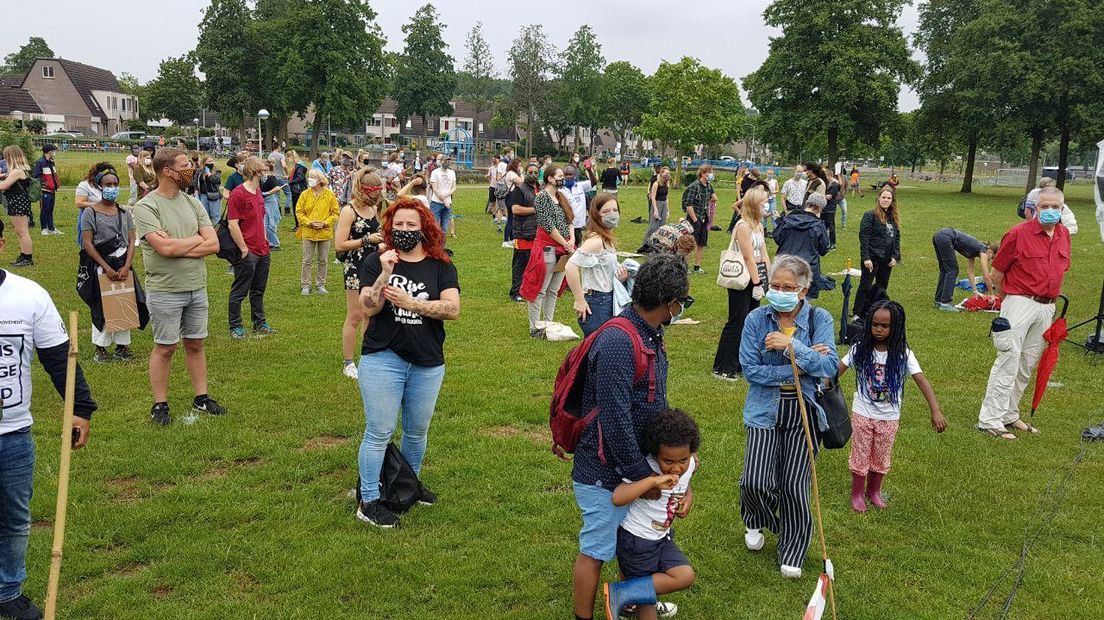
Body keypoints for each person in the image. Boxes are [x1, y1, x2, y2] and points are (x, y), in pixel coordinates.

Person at [570, 254, 689, 620]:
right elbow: (615, 420)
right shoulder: (620, 342)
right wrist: (643, 476)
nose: (681, 308)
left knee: (631, 545)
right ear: (670, 303)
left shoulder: (652, 333)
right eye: (683, 301)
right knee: (597, 548)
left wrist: (675, 479)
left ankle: (629, 597)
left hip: (637, 467)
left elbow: (659, 405)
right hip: (604, 470)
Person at [0, 219, 99, 620]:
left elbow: (60, 360)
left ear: (1, 240)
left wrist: (80, 408)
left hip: (13, 434)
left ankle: (7, 590)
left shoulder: (28, 296)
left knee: (14, 518)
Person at [355, 198, 460, 528]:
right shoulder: (377, 261)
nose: (404, 230)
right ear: (390, 227)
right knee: (379, 432)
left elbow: (452, 309)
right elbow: (368, 308)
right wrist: (385, 273)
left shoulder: (441, 265)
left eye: (411, 225)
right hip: (384, 357)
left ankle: (406, 486)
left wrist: (412, 303)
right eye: (398, 225)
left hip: (427, 360)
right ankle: (369, 500)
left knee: (416, 432)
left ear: (424, 228)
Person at [738, 255, 837, 579]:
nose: (779, 291)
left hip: (803, 411)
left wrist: (790, 344)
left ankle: (792, 549)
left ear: (804, 290)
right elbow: (750, 369)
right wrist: (800, 361)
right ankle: (755, 517)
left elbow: (829, 368)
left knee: (794, 486)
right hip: (763, 409)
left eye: (788, 287)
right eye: (775, 285)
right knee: (756, 480)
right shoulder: (756, 320)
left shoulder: (820, 319)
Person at [131, 147, 224, 426]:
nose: (190, 170)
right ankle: (160, 404)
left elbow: (214, 244)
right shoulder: (146, 207)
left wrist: (177, 244)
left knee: (195, 343)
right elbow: (164, 248)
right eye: (184, 165)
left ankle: (201, 397)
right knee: (166, 347)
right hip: (165, 290)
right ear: (167, 171)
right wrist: (195, 239)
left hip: (196, 286)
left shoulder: (193, 203)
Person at [977, 187, 1071, 440]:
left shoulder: (1063, 234)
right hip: (1019, 301)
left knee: (1026, 363)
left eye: (1055, 207)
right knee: (1008, 358)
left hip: (1046, 306)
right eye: (1044, 206)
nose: (1050, 211)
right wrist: (1009, 301)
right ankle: (990, 419)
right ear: (1035, 209)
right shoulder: (1018, 234)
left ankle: (1009, 414)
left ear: (1062, 209)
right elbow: (997, 273)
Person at [839, 300, 947, 512]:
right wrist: (823, 386)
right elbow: (838, 369)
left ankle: (874, 492)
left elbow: (921, 380)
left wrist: (935, 410)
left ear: (895, 327)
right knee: (860, 453)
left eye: (885, 326)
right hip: (863, 412)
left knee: (881, 454)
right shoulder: (860, 349)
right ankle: (857, 494)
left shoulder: (903, 354)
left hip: (889, 416)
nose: (879, 329)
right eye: (875, 324)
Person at [603, 409, 700, 620]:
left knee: (685, 575)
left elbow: (687, 481)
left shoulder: (690, 464)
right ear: (656, 454)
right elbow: (618, 497)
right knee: (646, 603)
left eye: (682, 460)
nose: (676, 468)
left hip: (661, 538)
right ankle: (627, 595)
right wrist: (653, 481)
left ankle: (627, 596)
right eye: (668, 461)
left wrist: (688, 498)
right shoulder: (648, 468)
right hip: (637, 540)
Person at [77, 169, 140, 363]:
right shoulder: (90, 212)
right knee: (102, 305)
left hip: (122, 263)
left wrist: (126, 266)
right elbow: (87, 243)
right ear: (100, 187)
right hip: (100, 264)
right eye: (108, 185)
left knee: (123, 303)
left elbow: (131, 241)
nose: (112, 188)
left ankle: (122, 347)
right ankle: (101, 348)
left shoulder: (123, 212)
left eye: (115, 184)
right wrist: (106, 267)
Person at [713, 187, 772, 380]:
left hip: (756, 277)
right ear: (755, 205)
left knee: (751, 323)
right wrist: (756, 283)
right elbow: (747, 256)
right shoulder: (743, 226)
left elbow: (763, 254)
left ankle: (740, 362)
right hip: (742, 279)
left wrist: (768, 279)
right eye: (764, 203)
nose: (767, 206)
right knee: (736, 322)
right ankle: (723, 366)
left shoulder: (759, 226)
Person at [335, 168, 384, 380]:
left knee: (370, 315)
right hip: (355, 268)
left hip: (374, 265)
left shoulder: (373, 210)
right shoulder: (349, 211)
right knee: (355, 315)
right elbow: (339, 244)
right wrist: (366, 240)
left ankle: (369, 356)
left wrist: (380, 244)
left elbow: (376, 234)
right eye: (373, 196)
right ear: (363, 191)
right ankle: (348, 363)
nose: (376, 200)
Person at [520, 165, 574, 338]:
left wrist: (571, 240)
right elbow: (547, 225)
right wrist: (565, 244)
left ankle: (548, 323)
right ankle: (535, 327)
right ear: (550, 178)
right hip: (548, 249)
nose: (562, 178)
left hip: (563, 250)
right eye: (559, 176)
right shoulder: (542, 198)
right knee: (540, 289)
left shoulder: (561, 196)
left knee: (553, 290)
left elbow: (570, 220)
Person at [566, 193, 629, 337]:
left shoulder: (607, 239)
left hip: (608, 298)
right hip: (597, 302)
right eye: (606, 211)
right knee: (600, 349)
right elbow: (570, 267)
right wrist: (579, 300)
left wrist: (621, 276)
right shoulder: (596, 241)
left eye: (615, 210)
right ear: (596, 215)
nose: (612, 214)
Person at [225, 157, 274, 340]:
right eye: (263, 171)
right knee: (240, 290)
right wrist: (243, 248)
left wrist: (265, 241)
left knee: (258, 289)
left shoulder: (258, 191)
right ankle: (235, 326)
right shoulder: (238, 194)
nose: (266, 174)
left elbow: (260, 220)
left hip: (263, 249)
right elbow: (232, 224)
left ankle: (259, 322)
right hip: (248, 250)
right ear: (255, 172)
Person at [854, 186, 902, 321]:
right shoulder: (870, 216)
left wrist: (895, 256)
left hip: (887, 259)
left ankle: (876, 311)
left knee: (882, 287)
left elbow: (896, 238)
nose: (886, 200)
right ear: (878, 198)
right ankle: (858, 313)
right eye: (883, 197)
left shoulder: (893, 217)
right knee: (865, 285)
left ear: (892, 200)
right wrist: (866, 258)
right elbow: (864, 238)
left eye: (889, 198)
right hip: (872, 257)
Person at [773, 193, 830, 299]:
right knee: (803, 299)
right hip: (806, 267)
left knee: (782, 296)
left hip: (785, 264)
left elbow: (777, 238)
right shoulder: (818, 225)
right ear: (818, 208)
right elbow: (824, 248)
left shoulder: (788, 220)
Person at [295, 169, 340, 296]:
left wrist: (325, 223)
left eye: (313, 177)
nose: (310, 179)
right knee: (307, 260)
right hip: (308, 232)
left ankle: (321, 284)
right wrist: (309, 222)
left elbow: (335, 213)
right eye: (309, 177)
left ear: (320, 180)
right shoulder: (304, 194)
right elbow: (299, 212)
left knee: (323, 260)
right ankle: (306, 285)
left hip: (324, 233)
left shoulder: (330, 195)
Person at [931, 228, 996, 312]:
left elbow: (970, 272)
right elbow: (986, 276)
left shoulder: (974, 250)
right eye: (992, 257)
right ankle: (945, 303)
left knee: (945, 269)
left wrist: (975, 291)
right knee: (952, 270)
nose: (989, 259)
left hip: (938, 236)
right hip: (946, 237)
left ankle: (939, 300)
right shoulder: (983, 251)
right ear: (990, 251)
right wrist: (991, 294)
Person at [508, 162, 540, 302]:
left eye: (535, 172)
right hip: (522, 232)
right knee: (520, 264)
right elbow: (515, 209)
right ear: (524, 173)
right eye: (530, 172)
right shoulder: (519, 190)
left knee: (534, 263)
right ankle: (516, 291)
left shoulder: (539, 188)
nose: (533, 175)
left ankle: (530, 289)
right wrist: (535, 210)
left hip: (536, 232)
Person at [0, 147, 34, 267]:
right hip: (18, 202)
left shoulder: (16, 171)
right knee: (20, 231)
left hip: (17, 203)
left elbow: (3, 186)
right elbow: (5, 177)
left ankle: (27, 258)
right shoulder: (18, 170)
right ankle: (23, 255)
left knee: (22, 231)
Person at [681, 164, 717, 275]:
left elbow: (714, 197)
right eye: (709, 173)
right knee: (689, 244)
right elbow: (688, 205)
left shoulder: (709, 186)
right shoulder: (694, 186)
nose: (711, 175)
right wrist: (695, 220)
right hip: (694, 219)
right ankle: (685, 267)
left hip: (704, 218)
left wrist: (713, 200)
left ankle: (697, 266)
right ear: (702, 173)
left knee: (701, 243)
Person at [561, 163, 599, 246]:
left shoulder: (580, 186)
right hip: (565, 224)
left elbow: (594, 182)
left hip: (578, 224)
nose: (568, 177)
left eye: (570, 174)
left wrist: (589, 170)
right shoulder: (559, 189)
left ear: (574, 175)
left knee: (578, 245)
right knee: (567, 246)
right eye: (566, 174)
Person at [31, 144, 61, 235]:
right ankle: (44, 228)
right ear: (49, 151)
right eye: (53, 150)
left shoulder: (51, 162)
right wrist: (45, 184)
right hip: (45, 190)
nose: (55, 152)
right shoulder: (40, 162)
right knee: (44, 209)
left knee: (50, 209)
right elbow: (36, 176)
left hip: (52, 190)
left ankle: (51, 228)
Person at [429, 155, 458, 240]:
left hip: (448, 203)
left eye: (449, 161)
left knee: (444, 228)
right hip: (436, 203)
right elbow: (435, 188)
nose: (447, 163)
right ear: (441, 161)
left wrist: (446, 196)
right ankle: (433, 246)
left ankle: (442, 247)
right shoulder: (435, 172)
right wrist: (444, 199)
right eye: (445, 161)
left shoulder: (452, 173)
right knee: (434, 226)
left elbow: (454, 187)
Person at [642, 166, 671, 248]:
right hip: (656, 204)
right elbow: (653, 198)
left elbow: (667, 198)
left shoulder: (667, 184)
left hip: (664, 205)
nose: (667, 175)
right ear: (661, 173)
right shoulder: (656, 184)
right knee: (653, 226)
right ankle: (645, 245)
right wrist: (655, 210)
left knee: (662, 226)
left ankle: (657, 245)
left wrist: (668, 210)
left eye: (668, 173)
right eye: (666, 173)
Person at [259, 160, 284, 250]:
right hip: (263, 202)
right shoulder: (259, 179)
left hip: (270, 202)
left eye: (265, 170)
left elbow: (277, 188)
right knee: (264, 224)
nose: (263, 172)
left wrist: (266, 193)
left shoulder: (271, 178)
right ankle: (270, 242)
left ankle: (275, 243)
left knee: (270, 224)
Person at [500, 158, 524, 246]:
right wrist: (521, 173)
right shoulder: (511, 174)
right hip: (511, 197)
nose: (520, 167)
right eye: (519, 165)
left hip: (510, 197)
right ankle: (506, 240)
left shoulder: (509, 173)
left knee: (512, 219)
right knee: (510, 219)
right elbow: (522, 182)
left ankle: (511, 239)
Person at [194, 156, 223, 226]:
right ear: (204, 163)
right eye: (209, 161)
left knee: (215, 215)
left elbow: (216, 180)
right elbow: (196, 182)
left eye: (212, 161)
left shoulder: (217, 171)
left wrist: (209, 174)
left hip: (214, 195)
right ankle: (208, 229)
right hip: (203, 195)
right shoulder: (200, 171)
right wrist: (196, 192)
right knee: (205, 214)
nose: (211, 163)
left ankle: (218, 231)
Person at [267, 142, 292, 215]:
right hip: (282, 177)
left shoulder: (270, 155)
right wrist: (287, 173)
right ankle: (287, 210)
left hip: (273, 177)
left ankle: (278, 210)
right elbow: (284, 165)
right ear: (278, 147)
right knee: (288, 193)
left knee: (276, 194)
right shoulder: (281, 155)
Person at [287, 150, 309, 230]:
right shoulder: (300, 165)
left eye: (288, 158)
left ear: (292, 157)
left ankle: (298, 226)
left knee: (297, 208)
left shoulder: (299, 166)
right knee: (301, 208)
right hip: (300, 189)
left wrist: (291, 181)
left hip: (297, 190)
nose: (288, 160)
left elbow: (301, 177)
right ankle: (299, 225)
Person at [822, 169, 842, 249]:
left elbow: (829, 197)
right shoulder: (829, 184)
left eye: (825, 176)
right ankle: (825, 242)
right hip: (824, 207)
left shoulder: (834, 185)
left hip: (830, 208)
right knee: (824, 226)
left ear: (829, 175)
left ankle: (833, 244)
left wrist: (823, 196)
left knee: (831, 226)